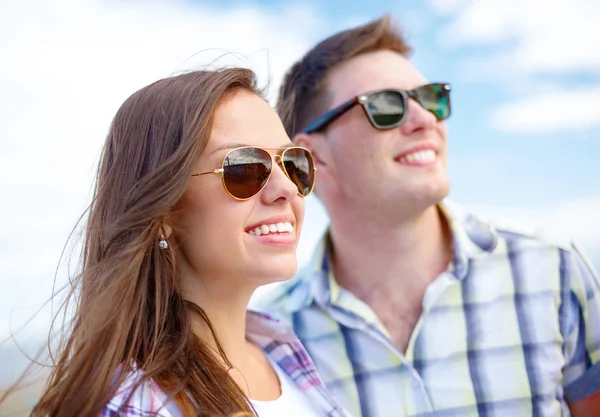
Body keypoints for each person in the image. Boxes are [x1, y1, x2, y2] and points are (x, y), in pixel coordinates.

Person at [254, 13, 600, 417]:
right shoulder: (271, 338)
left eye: (431, 98)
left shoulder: (553, 273)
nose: (426, 119)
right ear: (313, 158)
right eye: (386, 106)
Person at [0, 68, 350, 417]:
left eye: (293, 164)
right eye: (244, 167)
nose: (288, 189)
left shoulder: (284, 354)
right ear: (164, 211)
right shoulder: (135, 406)